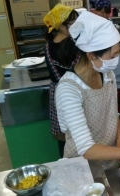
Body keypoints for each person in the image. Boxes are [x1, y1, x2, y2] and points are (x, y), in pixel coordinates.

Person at [55, 11, 120, 171]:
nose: (117, 59)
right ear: (91, 55)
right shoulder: (69, 88)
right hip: (83, 169)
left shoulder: (108, 75)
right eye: (113, 55)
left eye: (118, 53)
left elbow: (113, 116)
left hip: (111, 163)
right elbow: (87, 149)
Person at [43, 4, 79, 157]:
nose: (77, 25)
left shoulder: (48, 45)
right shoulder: (74, 45)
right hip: (74, 92)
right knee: (78, 133)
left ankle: (66, 164)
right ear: (61, 26)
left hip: (57, 93)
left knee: (64, 136)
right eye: (73, 23)